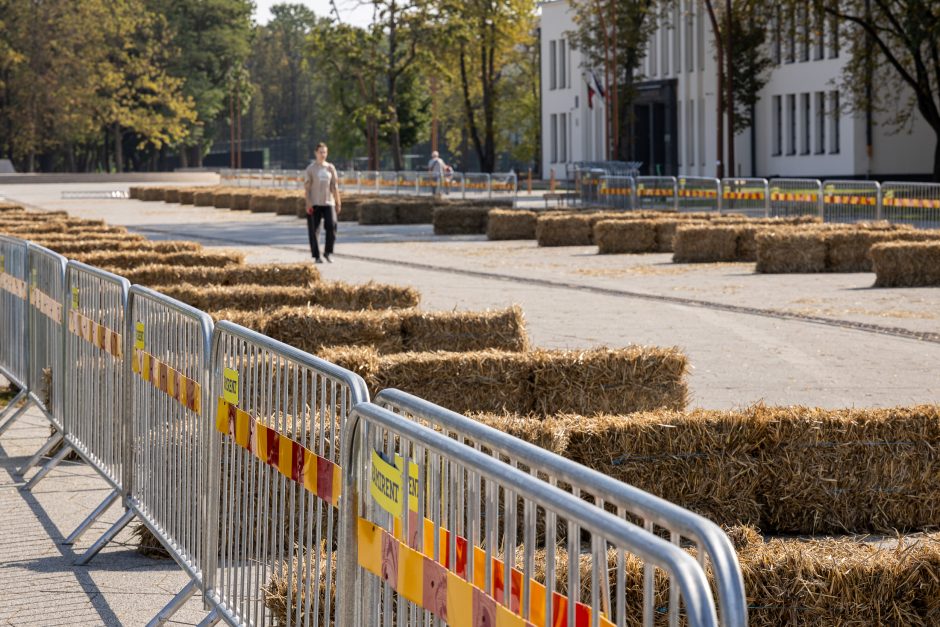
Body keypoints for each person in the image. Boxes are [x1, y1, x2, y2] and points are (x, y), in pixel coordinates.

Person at [303, 142, 342, 263]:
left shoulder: (330, 168)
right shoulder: (311, 169)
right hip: (314, 203)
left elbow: (334, 186)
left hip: (328, 202)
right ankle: (316, 256)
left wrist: (338, 201)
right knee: (314, 230)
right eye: (320, 152)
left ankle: (328, 252)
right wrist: (308, 202)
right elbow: (307, 188)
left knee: (332, 225)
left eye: (325, 152)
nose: (323, 154)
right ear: (316, 153)